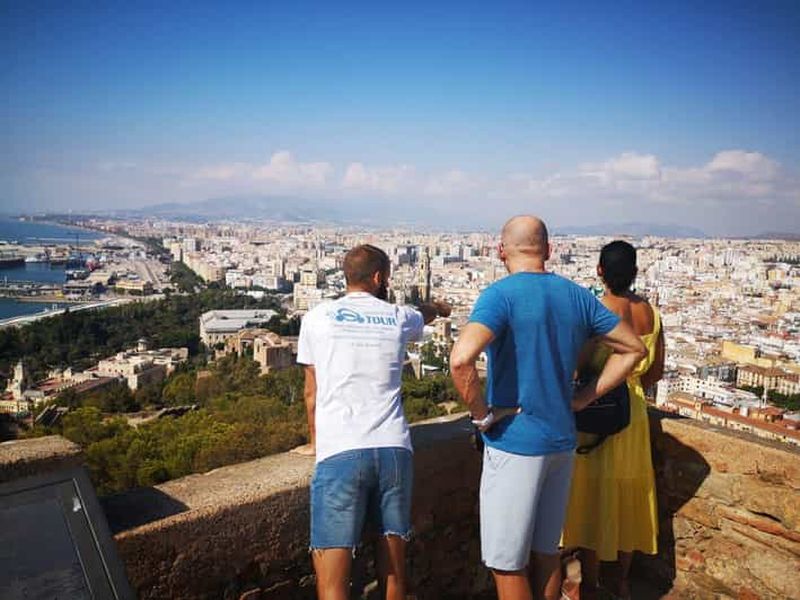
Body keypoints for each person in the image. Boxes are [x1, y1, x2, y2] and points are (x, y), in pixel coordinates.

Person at [449, 216, 647, 600]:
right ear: (549, 251)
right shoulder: (576, 295)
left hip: (516, 443)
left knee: (506, 564)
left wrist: (482, 416)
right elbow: (633, 349)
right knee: (546, 552)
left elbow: (460, 360)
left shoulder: (500, 295)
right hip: (562, 441)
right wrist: (583, 398)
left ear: (500, 251)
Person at [296, 244, 448, 600]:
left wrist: (316, 442)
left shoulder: (317, 318)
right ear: (379, 277)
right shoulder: (397, 315)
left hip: (340, 452)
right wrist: (440, 308)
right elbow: (423, 313)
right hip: (394, 450)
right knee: (393, 572)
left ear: (346, 275)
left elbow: (311, 394)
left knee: (333, 583)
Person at [562, 240, 664, 600]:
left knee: (595, 495)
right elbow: (655, 371)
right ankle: (621, 580)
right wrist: (631, 387)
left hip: (598, 407)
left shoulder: (598, 310)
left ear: (599, 271)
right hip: (633, 411)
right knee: (628, 493)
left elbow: (578, 365)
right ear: (634, 272)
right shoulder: (651, 313)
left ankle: (591, 583)